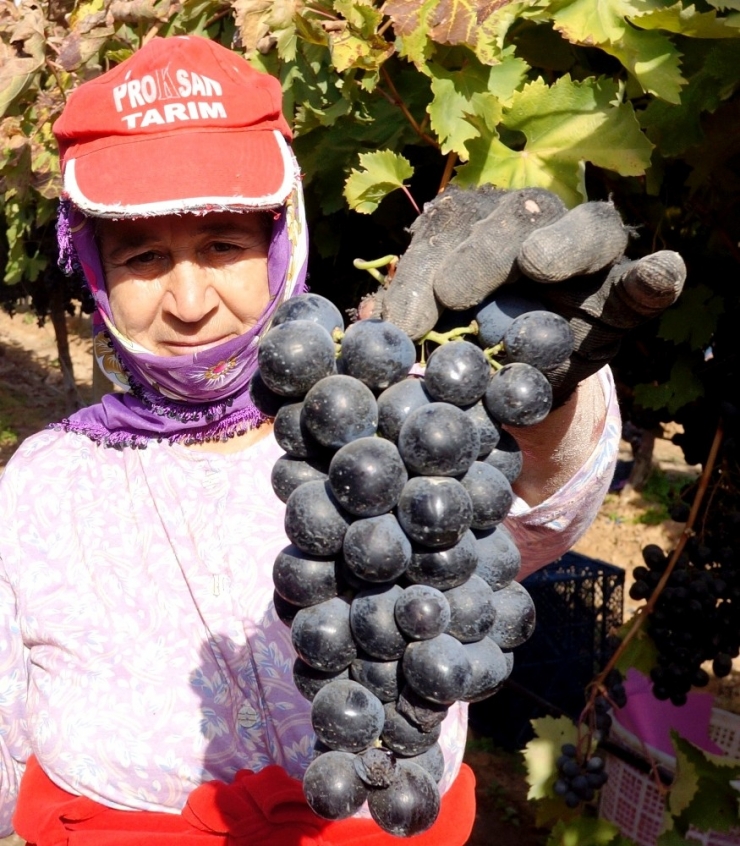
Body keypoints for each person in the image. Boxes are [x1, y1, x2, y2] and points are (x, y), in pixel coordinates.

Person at [0, 34, 682, 845]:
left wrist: (546, 399)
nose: (188, 300)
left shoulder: (382, 419)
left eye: (224, 244)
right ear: (93, 272)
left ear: (281, 243)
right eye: (143, 256)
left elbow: (537, 513)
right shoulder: (46, 482)